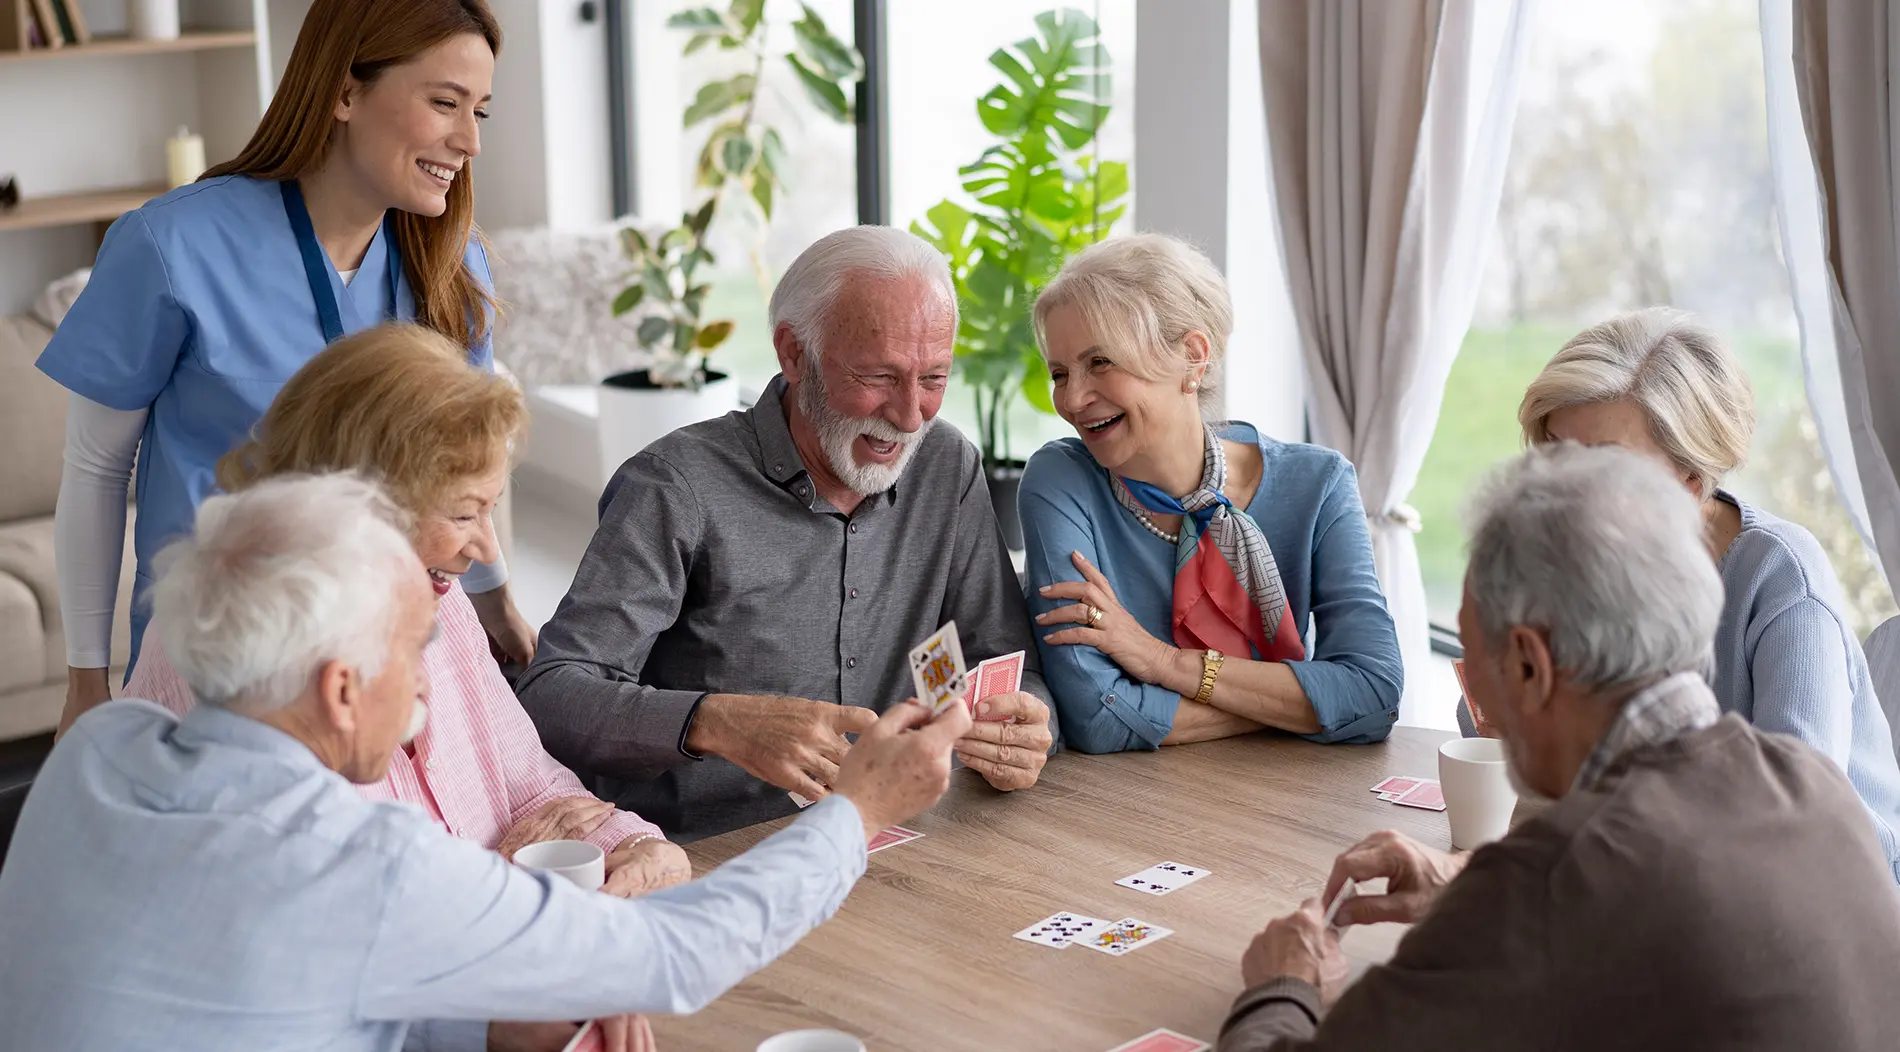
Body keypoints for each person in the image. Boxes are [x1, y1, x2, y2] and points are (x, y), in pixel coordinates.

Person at [0, 473, 971, 1052]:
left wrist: (495, 1017)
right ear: (341, 688)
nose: (427, 697)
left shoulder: (97, 748)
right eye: (417, 647)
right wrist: (853, 807)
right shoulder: (357, 855)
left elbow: (265, 1002)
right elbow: (677, 952)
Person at [1220, 444, 1900, 1052]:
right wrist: (1474, 885)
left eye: (1469, 647)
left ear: (1527, 664)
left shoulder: (1546, 886)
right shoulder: (1814, 786)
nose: (1468, 681)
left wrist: (1285, 984)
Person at [37, 0, 536, 738]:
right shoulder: (171, 245)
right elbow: (95, 470)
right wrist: (87, 679)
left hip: (395, 660)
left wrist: (498, 608)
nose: (469, 141)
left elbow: (466, 478)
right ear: (343, 91)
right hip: (223, 666)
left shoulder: (453, 264)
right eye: (444, 103)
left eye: (480, 112)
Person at [517, 226, 1055, 841]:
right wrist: (715, 721)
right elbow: (551, 695)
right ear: (793, 354)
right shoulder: (674, 488)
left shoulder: (947, 466)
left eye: (933, 379)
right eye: (878, 377)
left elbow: (1005, 662)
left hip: (896, 840)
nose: (910, 417)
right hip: (709, 855)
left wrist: (1029, 724)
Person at [126, 325, 687, 910]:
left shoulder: (440, 608)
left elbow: (535, 788)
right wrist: (491, 889)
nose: (487, 551)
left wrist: (640, 845)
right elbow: (308, 914)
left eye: (489, 511)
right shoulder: (237, 650)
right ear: (366, 505)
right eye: (466, 514)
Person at [1459, 308, 1900, 881]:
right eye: (1556, 460)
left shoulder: (1782, 578)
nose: (1566, 496)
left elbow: (1795, 816)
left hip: (1838, 896)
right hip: (1664, 870)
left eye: (1606, 470)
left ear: (1692, 482)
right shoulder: (1579, 559)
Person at [1017, 234, 1402, 753]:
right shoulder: (1061, 481)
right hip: (1128, 810)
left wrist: (1161, 662)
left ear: (1193, 357)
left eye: (1101, 363)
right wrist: (1294, 702)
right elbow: (1094, 716)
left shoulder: (1320, 485)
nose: (1073, 398)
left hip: (1292, 801)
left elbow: (1374, 693)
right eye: (1060, 373)